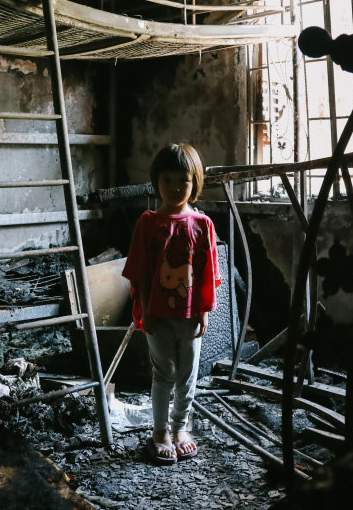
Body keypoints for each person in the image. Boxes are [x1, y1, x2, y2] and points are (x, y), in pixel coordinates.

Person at [122, 142, 220, 465]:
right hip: (158, 315)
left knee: (187, 374)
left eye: (183, 180)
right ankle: (160, 432)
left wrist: (205, 311)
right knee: (163, 373)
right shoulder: (148, 223)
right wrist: (144, 309)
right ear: (156, 181)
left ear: (195, 183)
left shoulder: (202, 225)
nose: (175, 187)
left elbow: (208, 274)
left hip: (190, 315)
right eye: (167, 179)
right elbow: (140, 272)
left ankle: (180, 428)